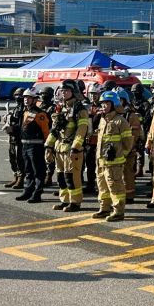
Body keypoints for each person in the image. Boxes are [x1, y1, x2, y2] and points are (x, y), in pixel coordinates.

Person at [45, 80, 89, 212]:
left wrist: (76, 147)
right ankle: (64, 200)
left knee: (72, 177)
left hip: (71, 149)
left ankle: (75, 202)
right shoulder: (60, 108)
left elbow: (82, 129)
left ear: (74, 92)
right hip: (59, 148)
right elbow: (55, 129)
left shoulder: (80, 109)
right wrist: (48, 146)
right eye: (62, 91)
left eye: (66, 91)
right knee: (60, 177)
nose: (63, 93)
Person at [91, 91, 133, 221]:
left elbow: (128, 143)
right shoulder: (103, 120)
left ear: (114, 104)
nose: (104, 106)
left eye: (107, 103)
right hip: (101, 161)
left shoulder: (120, 121)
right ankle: (104, 209)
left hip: (114, 163)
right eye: (102, 103)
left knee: (115, 186)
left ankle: (118, 211)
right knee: (102, 186)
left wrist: (122, 156)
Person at [15, 88, 50, 203]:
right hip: (25, 146)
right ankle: (28, 191)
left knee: (38, 171)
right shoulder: (25, 112)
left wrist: (48, 147)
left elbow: (46, 132)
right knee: (28, 171)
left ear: (35, 99)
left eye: (29, 97)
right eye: (25, 97)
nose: (26, 100)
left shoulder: (40, 114)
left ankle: (37, 193)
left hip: (36, 147)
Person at [4, 88, 26, 189]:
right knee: (12, 158)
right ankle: (15, 176)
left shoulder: (26, 109)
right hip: (12, 138)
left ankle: (21, 178)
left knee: (19, 159)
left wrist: (13, 127)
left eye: (20, 95)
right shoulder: (16, 108)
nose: (18, 97)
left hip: (20, 138)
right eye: (16, 95)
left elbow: (24, 125)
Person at [84, 83, 103, 195]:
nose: (93, 96)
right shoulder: (87, 107)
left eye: (95, 94)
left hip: (100, 141)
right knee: (89, 164)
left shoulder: (105, 107)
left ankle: (100, 186)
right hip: (88, 141)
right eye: (91, 94)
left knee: (99, 165)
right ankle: (90, 184)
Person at [131, 83, 152, 177]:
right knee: (132, 149)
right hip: (132, 129)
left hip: (142, 129)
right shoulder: (131, 102)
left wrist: (141, 120)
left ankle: (140, 169)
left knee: (140, 150)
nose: (135, 94)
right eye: (134, 92)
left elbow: (147, 117)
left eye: (137, 92)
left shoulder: (145, 103)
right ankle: (134, 169)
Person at [38, 87, 57, 187]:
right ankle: (42, 175)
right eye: (41, 94)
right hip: (39, 135)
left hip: (49, 134)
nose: (42, 96)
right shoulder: (39, 106)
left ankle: (49, 176)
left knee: (49, 156)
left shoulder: (53, 108)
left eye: (44, 94)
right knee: (40, 156)